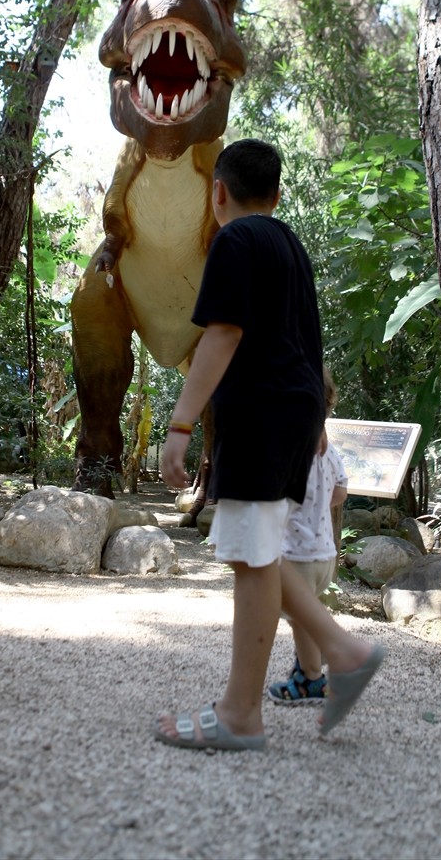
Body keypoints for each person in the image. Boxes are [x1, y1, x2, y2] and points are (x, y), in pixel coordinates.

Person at [154, 139, 384, 751]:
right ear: (277, 196)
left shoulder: (235, 240)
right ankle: (340, 649)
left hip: (261, 409)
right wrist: (314, 427)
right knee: (250, 550)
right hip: (294, 408)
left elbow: (223, 333)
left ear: (218, 192)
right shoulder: (289, 245)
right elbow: (306, 339)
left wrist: (180, 427)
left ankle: (240, 714)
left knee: (252, 556)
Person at [268, 368, 349, 704]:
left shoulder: (291, 447)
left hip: (296, 553)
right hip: (324, 553)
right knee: (304, 613)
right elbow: (341, 491)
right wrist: (319, 500)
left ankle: (314, 677)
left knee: (300, 619)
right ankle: (308, 668)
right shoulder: (330, 452)